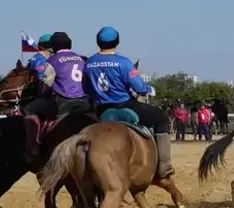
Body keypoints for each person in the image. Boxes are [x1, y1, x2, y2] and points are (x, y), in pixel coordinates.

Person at [82, 26, 174, 178]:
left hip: (101, 109)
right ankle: (164, 166)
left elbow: (85, 89)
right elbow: (139, 88)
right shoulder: (124, 62)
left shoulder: (89, 63)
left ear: (98, 42)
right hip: (124, 105)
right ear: (117, 42)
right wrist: (148, 90)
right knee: (161, 117)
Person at [42, 32, 90, 115]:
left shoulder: (51, 61)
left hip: (63, 101)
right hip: (85, 99)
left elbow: (46, 86)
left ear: (54, 46)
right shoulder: (82, 59)